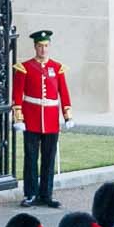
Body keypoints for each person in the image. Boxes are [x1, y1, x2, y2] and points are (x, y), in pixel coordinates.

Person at [12, 30, 72, 208]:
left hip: (51, 120)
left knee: (49, 158)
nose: (43, 49)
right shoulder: (25, 68)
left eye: (46, 46)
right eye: (40, 46)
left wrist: (67, 115)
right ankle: (31, 193)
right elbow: (17, 95)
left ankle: (46, 194)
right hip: (31, 118)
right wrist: (19, 118)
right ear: (35, 47)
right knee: (31, 158)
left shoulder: (57, 68)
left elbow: (64, 93)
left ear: (49, 47)